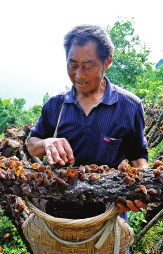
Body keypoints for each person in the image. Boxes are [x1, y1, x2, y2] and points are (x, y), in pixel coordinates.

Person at [27, 24, 148, 228]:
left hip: (109, 220)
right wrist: (47, 143)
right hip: (59, 219)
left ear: (106, 63)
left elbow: (138, 156)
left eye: (89, 66)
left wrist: (141, 186)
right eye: (73, 65)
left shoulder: (129, 106)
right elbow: (32, 144)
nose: (79, 75)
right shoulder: (55, 105)